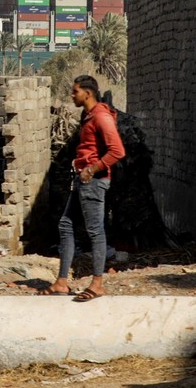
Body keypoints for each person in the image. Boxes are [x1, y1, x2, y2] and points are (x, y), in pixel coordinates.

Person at [41, 75, 125, 302]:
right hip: (83, 179)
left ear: (87, 93)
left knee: (95, 232)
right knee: (66, 225)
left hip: (93, 181)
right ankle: (61, 282)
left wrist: (92, 169)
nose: (72, 95)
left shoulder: (101, 116)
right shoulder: (88, 115)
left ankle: (97, 284)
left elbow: (117, 151)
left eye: (75, 91)